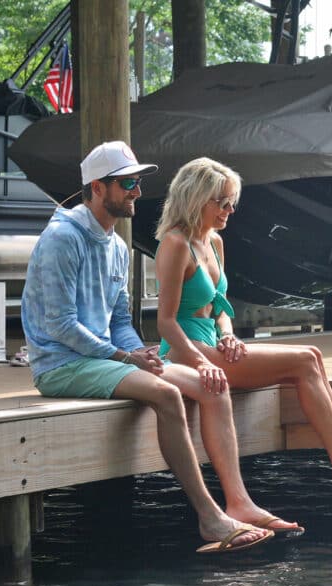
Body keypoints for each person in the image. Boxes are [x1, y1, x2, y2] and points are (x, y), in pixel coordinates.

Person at [21, 140, 277, 555]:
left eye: (138, 183)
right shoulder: (62, 238)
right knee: (166, 392)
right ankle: (210, 518)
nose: (138, 192)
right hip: (63, 364)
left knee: (211, 385)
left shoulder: (118, 247)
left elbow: (121, 321)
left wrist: (143, 355)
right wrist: (126, 358)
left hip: (105, 359)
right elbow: (62, 326)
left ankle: (239, 503)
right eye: (127, 184)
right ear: (97, 188)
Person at [152, 157, 332, 504]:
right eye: (221, 202)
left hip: (212, 342)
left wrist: (228, 335)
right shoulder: (175, 244)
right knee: (303, 360)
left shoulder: (215, 242)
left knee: (311, 355)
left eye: (232, 202)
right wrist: (202, 361)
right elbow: (166, 321)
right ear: (195, 199)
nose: (229, 210)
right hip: (186, 351)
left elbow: (221, 308)